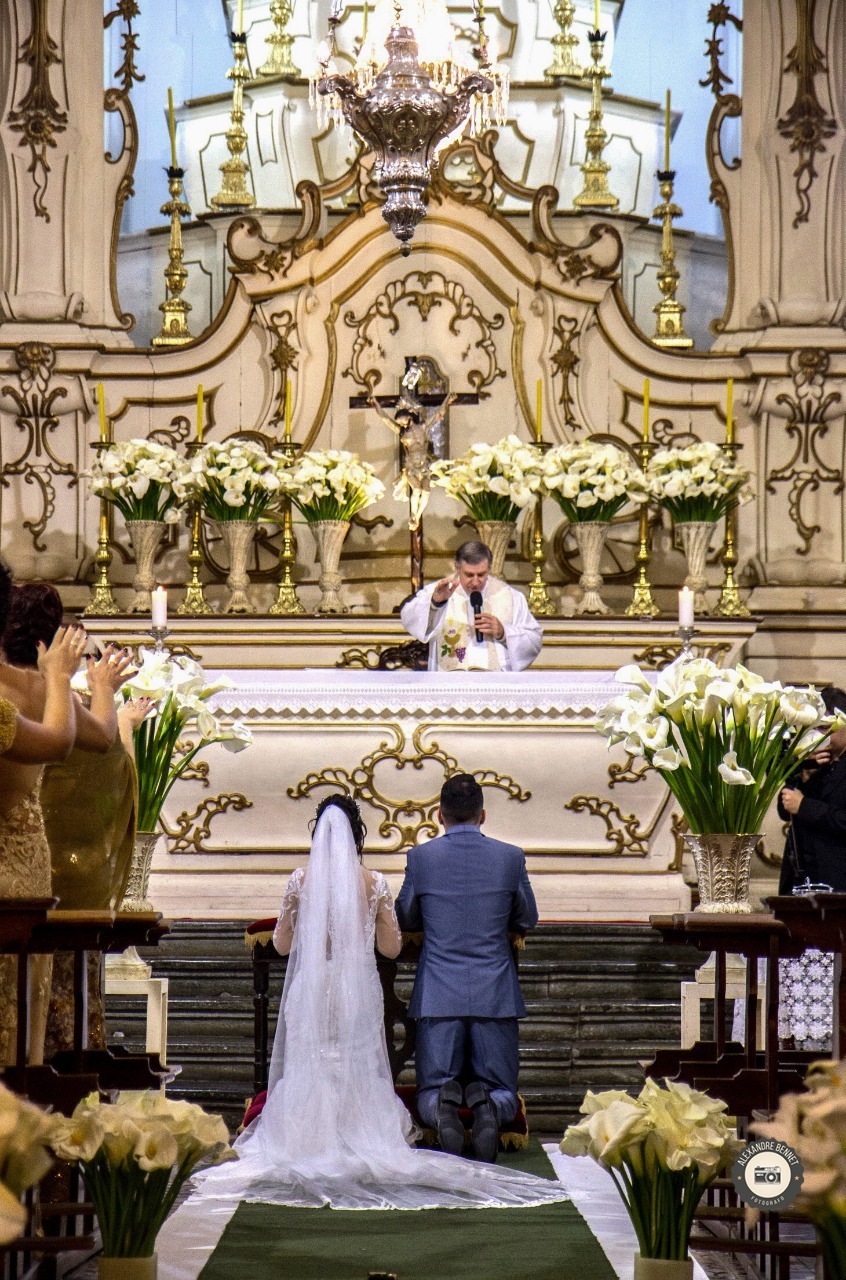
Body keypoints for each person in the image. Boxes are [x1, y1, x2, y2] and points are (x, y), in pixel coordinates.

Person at [175, 793, 566, 1213]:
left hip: (316, 988)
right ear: (358, 834)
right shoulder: (374, 882)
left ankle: (314, 1135)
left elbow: (282, 945)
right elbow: (394, 948)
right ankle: (468, 1107)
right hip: (366, 990)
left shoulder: (301, 880)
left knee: (315, 1060)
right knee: (361, 1060)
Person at [0, 580, 133, 1064]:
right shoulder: (38, 688)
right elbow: (95, 737)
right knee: (21, 1006)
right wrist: (85, 683)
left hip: (23, 865)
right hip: (23, 860)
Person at [396, 775, 537, 1163]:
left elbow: (405, 916)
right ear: (483, 815)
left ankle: (442, 1108)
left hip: (439, 995)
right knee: (503, 1088)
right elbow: (528, 917)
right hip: (495, 993)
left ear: (439, 816)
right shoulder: (511, 857)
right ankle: (490, 1107)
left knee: (430, 1087)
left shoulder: (421, 858)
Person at [400, 541, 543, 672]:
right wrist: (436, 603)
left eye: (481, 574)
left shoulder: (510, 596)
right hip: (450, 682)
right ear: (457, 568)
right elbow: (409, 617)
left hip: (496, 683)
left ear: (489, 568)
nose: (475, 582)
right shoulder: (440, 590)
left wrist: (503, 632)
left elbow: (534, 638)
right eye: (469, 575)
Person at [779, 687, 846, 892]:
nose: (818, 736)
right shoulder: (813, 761)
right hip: (800, 876)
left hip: (837, 879)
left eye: (825, 729)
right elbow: (784, 809)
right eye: (814, 729)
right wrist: (804, 773)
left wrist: (805, 806)